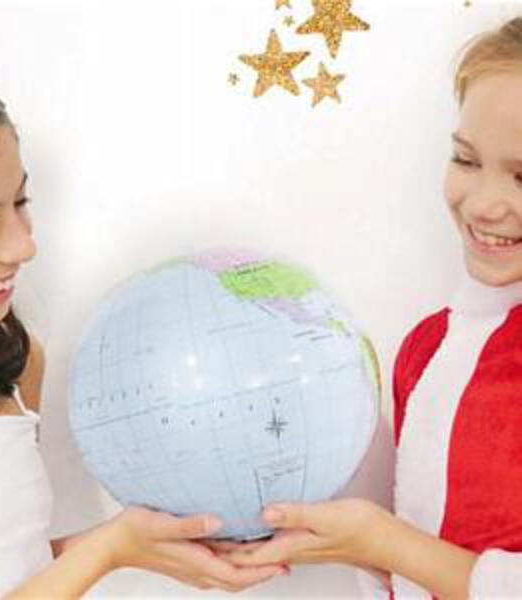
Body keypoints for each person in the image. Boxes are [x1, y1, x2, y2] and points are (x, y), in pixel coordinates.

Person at [0, 53, 287, 598]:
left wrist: (138, 547)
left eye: (20, 202)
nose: (23, 245)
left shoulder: (12, 365)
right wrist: (109, 549)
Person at [212, 16, 522, 600]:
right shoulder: (427, 348)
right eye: (465, 160)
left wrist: (385, 543)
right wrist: (327, 537)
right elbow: (424, 555)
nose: (485, 204)